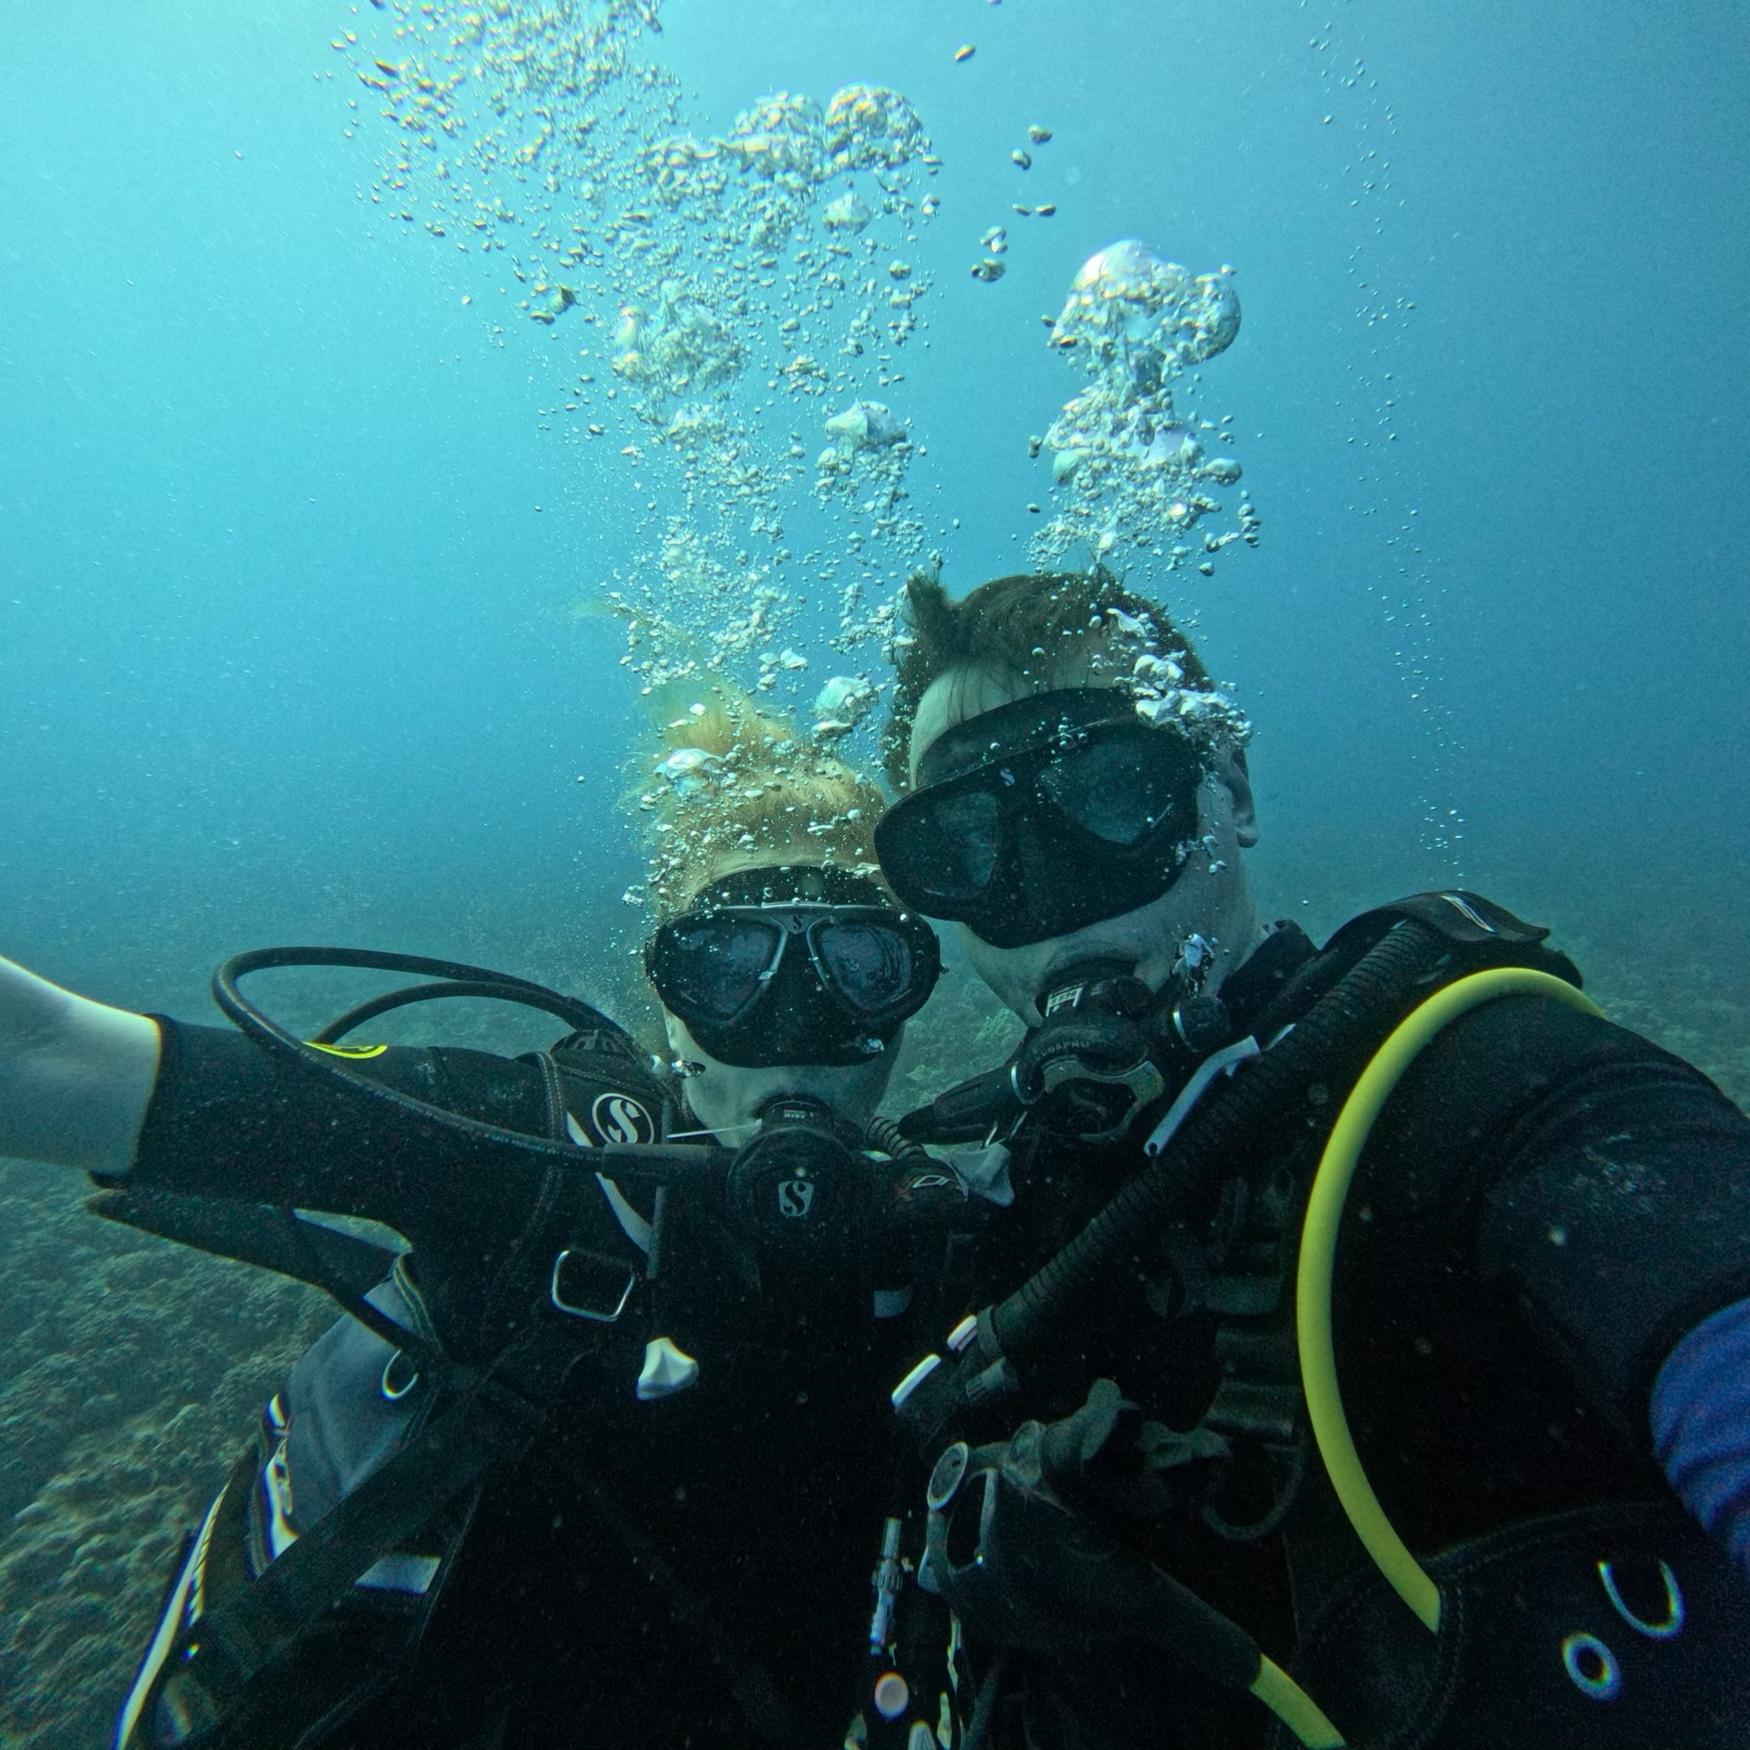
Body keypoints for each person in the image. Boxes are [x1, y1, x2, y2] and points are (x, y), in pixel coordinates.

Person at [869, 565, 1750, 1749]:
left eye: (1113, 793)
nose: (1051, 893)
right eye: (969, 842)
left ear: (1224, 790)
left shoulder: (1479, 1091)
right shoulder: (994, 1192)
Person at [0, 692, 957, 1749]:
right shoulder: (530, 1160)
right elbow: (48, 1058)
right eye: (727, 967)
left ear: (910, 991)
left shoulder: (959, 1245)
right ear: (669, 1003)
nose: (796, 1025)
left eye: (861, 965)